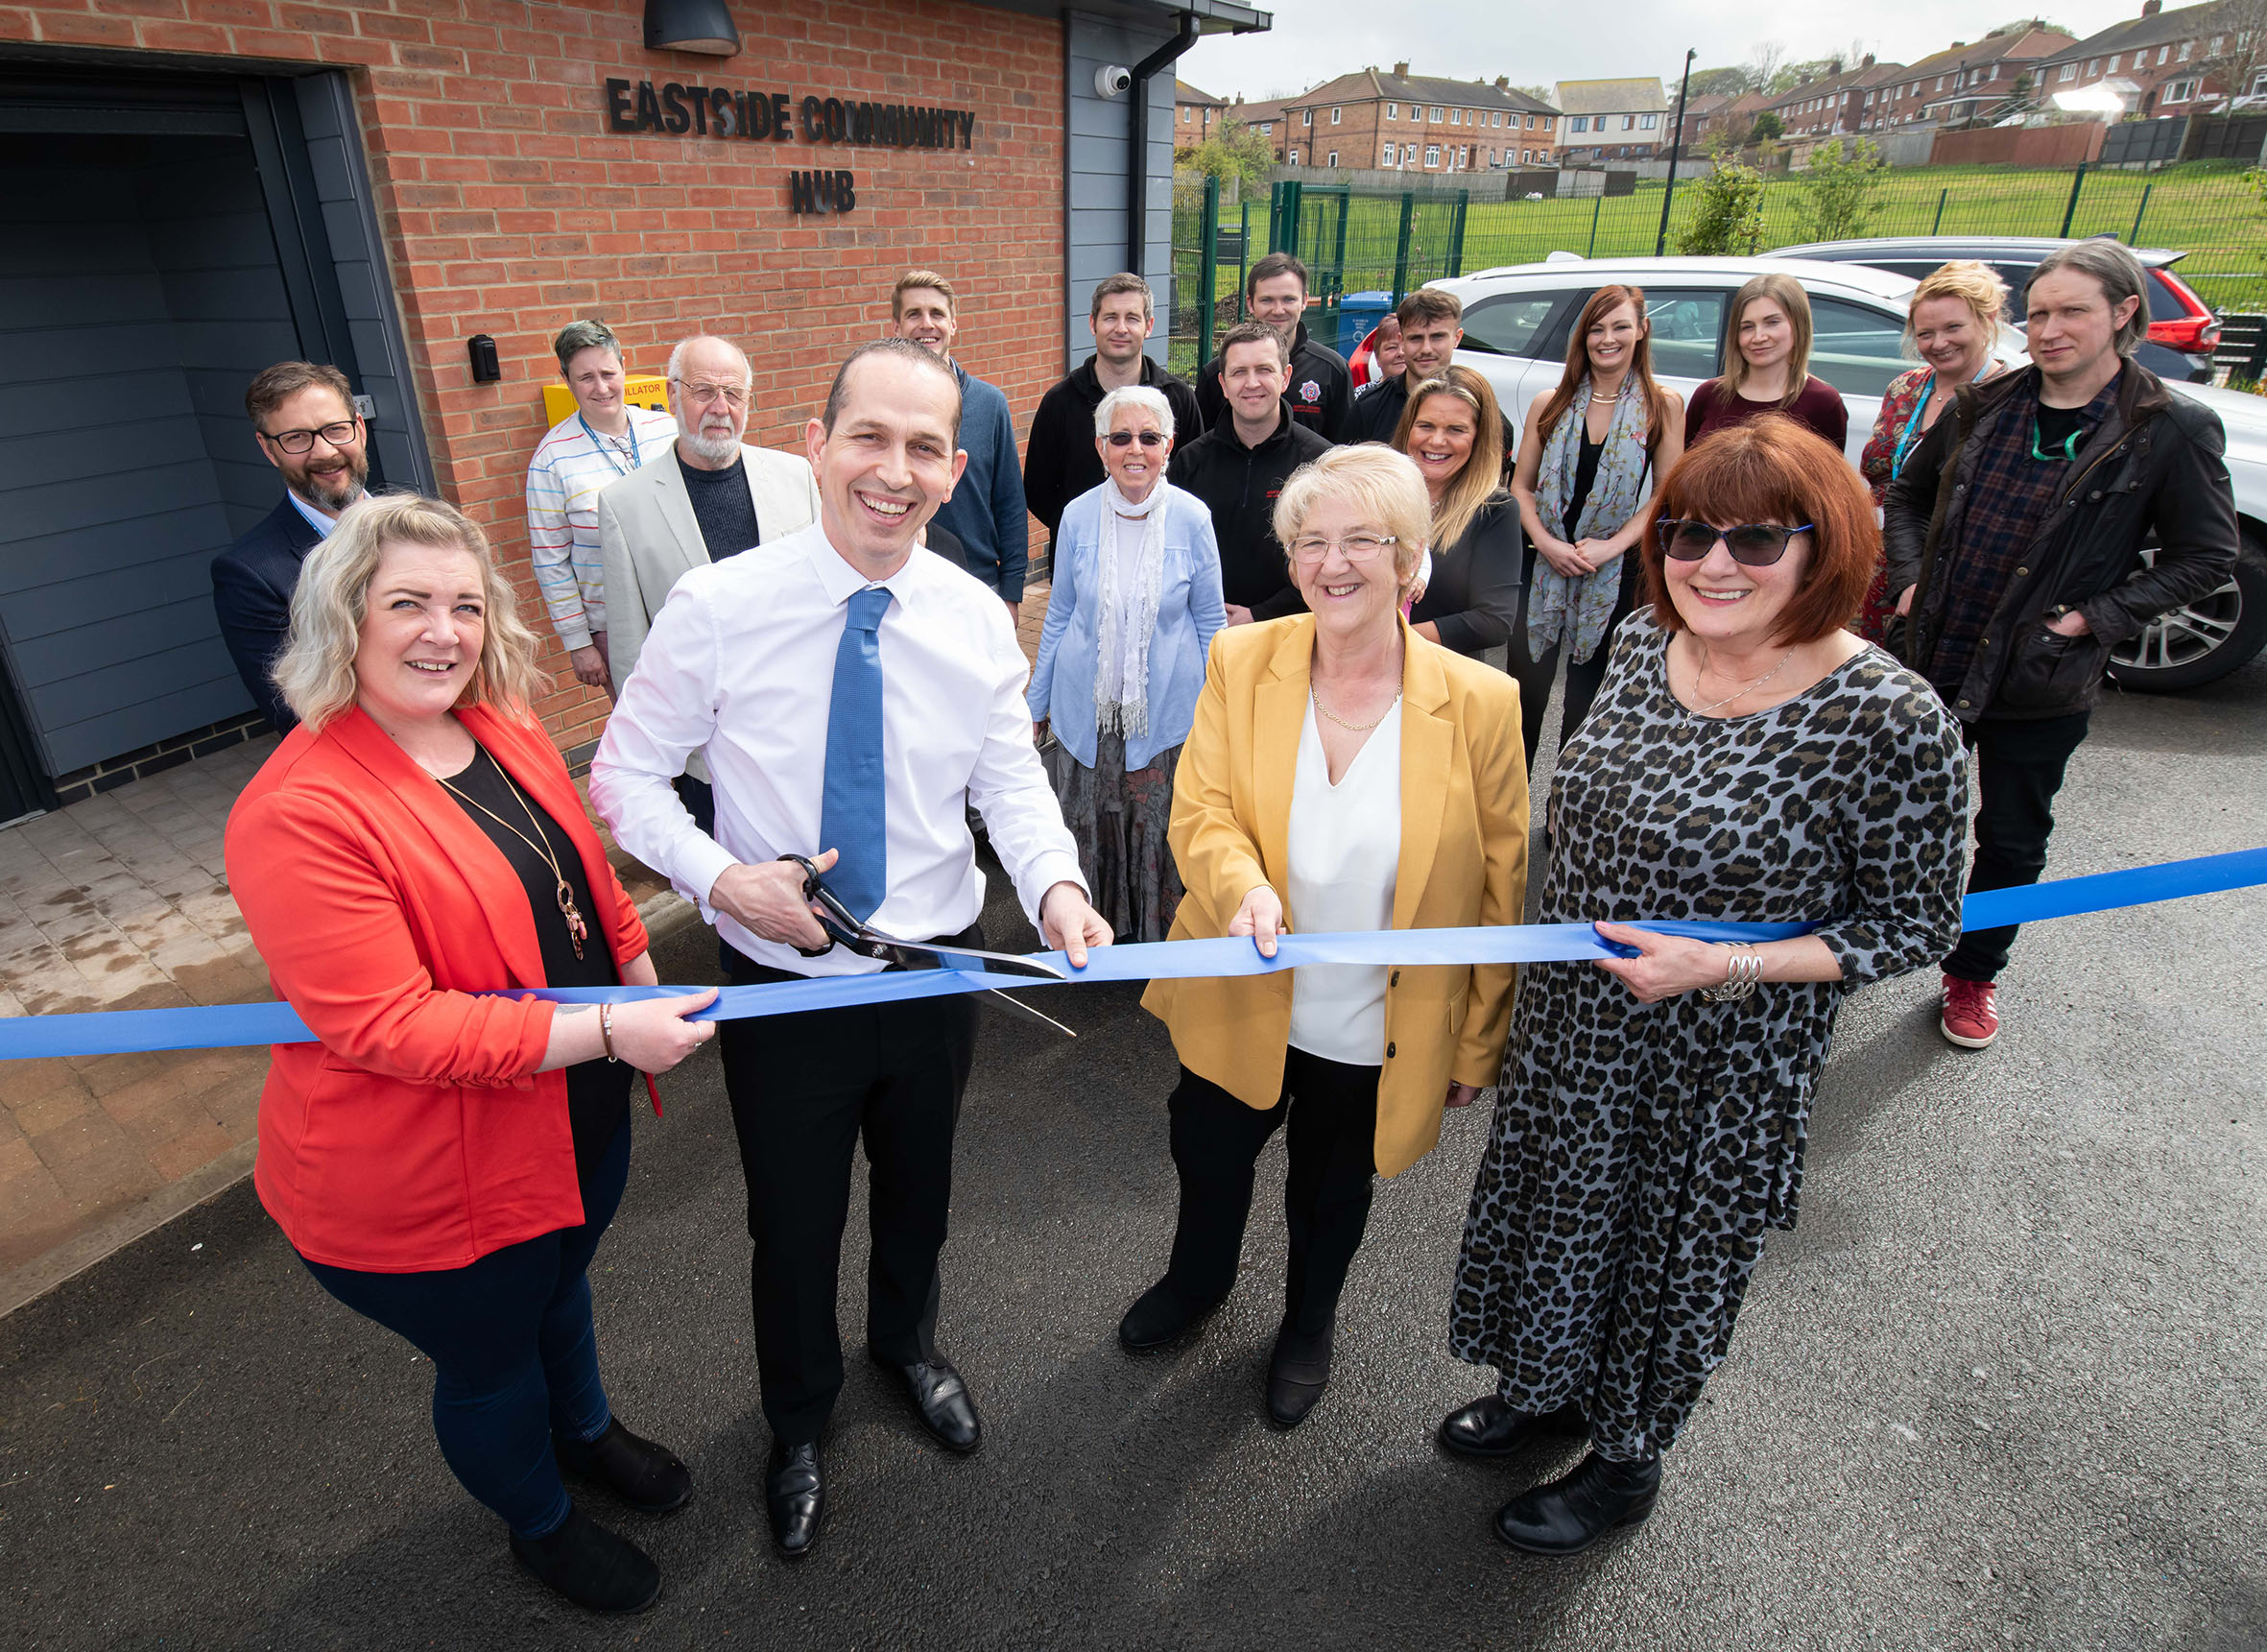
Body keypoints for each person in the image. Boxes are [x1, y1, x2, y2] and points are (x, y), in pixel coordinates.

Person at [588, 339, 1112, 1561]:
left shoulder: (976, 614)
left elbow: (1008, 781)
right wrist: (725, 880)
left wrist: (1060, 888)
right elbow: (624, 775)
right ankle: (798, 1419)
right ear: (815, 448)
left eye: (925, 446)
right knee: (796, 1220)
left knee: (919, 1196)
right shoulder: (719, 607)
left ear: (956, 468)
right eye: (869, 437)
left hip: (940, 972)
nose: (896, 469)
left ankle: (908, 1348)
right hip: (782, 988)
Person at [1445, 416, 1969, 1556]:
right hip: (1578, 1031)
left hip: (1717, 1063)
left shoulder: (1888, 718)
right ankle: (1545, 1384)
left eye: (1754, 539)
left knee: (1660, 1256)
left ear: (1821, 546)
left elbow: (1916, 923)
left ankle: (1624, 1460)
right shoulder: (1642, 642)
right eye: (1686, 534)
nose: (1712, 563)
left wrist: (1724, 963)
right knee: (1560, 1220)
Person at [225, 493, 718, 1615]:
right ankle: (539, 1523)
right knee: (493, 1356)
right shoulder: (297, 811)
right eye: (406, 604)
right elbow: (388, 1024)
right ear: (343, 619)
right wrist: (604, 1027)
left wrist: (631, 956)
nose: (441, 631)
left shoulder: (499, 721)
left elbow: (575, 874)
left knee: (559, 1289)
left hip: (563, 1106)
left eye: (461, 604)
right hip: (423, 1168)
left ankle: (586, 1434)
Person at [1123, 444, 1528, 1429]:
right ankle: (1197, 1278)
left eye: (1362, 541)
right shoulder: (1242, 657)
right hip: (1242, 988)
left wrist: (1477, 1040)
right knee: (1208, 1156)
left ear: (1409, 559)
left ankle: (1308, 1321)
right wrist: (1243, 885)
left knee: (1331, 1188)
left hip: (1375, 1021)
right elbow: (1201, 811)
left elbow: (1499, 884)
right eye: (1311, 541)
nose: (1332, 562)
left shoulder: (1480, 703)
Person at [1885, 239, 2237, 1051]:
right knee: (1891, 813)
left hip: (2039, 675)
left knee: (2010, 836)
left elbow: (2206, 556)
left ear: (2122, 314)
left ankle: (1973, 972)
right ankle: (1846, 950)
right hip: (1935, 658)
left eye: (2072, 311)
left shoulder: (2168, 427)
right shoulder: (1989, 403)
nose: (2050, 329)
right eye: (2039, 312)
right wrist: (1911, 579)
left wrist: (2091, 619)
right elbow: (1908, 494)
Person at [595, 334, 818, 829]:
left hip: (803, 729)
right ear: (672, 395)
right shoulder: (624, 505)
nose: (720, 408)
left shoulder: (795, 476)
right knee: (729, 887)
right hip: (705, 752)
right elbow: (633, 648)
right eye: (703, 391)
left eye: (733, 394)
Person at [1027, 386, 1226, 943]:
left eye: (1148, 437)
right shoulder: (1076, 515)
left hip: (1162, 713)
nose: (1134, 449)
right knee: (1084, 824)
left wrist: (1220, 708)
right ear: (1101, 447)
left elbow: (1211, 622)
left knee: (1154, 827)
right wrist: (1034, 703)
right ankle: (1083, 931)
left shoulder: (1192, 518)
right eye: (1120, 437)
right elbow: (1060, 613)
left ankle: (1149, 940)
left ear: (1169, 445)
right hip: (1083, 712)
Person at [1506, 284, 1685, 765]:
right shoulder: (1552, 402)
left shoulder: (1662, 405)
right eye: (1597, 328)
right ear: (1582, 336)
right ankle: (1511, 812)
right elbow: (1520, 487)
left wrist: (1610, 549)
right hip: (1543, 565)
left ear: (1642, 330)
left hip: (1611, 571)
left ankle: (1561, 815)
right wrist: (1547, 545)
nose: (1608, 338)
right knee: (1525, 697)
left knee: (1586, 704)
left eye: (1621, 326)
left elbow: (1666, 495)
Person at [211, 361, 370, 732]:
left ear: (359, 428)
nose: (325, 452)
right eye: (297, 437)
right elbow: (297, 713)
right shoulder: (250, 574)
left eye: (336, 429)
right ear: (268, 449)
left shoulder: (426, 526)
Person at [1854, 262, 2009, 643]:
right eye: (1926, 334)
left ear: (1987, 321)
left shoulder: (2008, 399)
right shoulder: (1904, 389)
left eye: (1953, 328)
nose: (1939, 343)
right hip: (1876, 565)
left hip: (1950, 574)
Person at [525, 320, 677, 694]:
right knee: (645, 732)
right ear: (566, 379)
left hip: (683, 604)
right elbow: (550, 561)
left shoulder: (666, 429)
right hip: (615, 626)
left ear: (624, 365)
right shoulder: (551, 460)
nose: (602, 387)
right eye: (586, 377)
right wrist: (579, 643)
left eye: (609, 372)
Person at [1169, 322, 1331, 627]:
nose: (1252, 383)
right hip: (1202, 630)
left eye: (1264, 370)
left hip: (1292, 631)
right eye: (1239, 372)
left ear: (1285, 377)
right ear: (1223, 383)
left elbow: (1330, 561)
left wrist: (1261, 615)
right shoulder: (1189, 462)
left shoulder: (1321, 464)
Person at [890, 269, 1031, 618]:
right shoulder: (882, 403)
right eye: (913, 314)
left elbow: (1010, 503)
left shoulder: (989, 404)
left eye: (937, 314)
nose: (927, 324)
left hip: (979, 584)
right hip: (901, 585)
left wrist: (1011, 592)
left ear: (954, 324)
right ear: (896, 327)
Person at [1023, 274, 1204, 546]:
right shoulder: (1059, 403)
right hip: (1081, 553)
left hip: (1162, 552)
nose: (1121, 328)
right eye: (1110, 317)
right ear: (1093, 323)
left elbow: (1194, 479)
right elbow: (1038, 489)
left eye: (1132, 318)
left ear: (1149, 326)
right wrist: (1083, 529)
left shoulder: (1178, 400)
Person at [1392, 366, 1518, 662]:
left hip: (1444, 675)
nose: (1436, 441)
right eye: (1425, 426)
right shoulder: (1377, 493)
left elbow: (1494, 621)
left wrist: (1394, 638)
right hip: (1362, 674)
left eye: (1455, 430)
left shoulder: (1495, 510)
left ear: (1478, 438)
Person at [1193, 252, 1353, 442]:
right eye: (1267, 300)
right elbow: (1202, 447)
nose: (1278, 310)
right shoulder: (1217, 373)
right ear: (1250, 303)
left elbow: (1344, 450)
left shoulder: (1332, 370)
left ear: (1304, 301)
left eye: (1288, 299)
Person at [1684, 274, 1847, 453]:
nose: (1758, 337)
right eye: (1747, 327)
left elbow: (1830, 478)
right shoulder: (1708, 395)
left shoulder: (1824, 403)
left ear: (1799, 325)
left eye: (1772, 322)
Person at [1347, 289, 1465, 445]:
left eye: (1437, 337)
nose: (1426, 349)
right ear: (1401, 341)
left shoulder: (1476, 408)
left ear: (1457, 338)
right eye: (1416, 338)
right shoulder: (1369, 407)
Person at [1363, 310, 1407, 389]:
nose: (1401, 353)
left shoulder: (1431, 395)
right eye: (1392, 347)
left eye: (1405, 346)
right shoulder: (1361, 397)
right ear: (1377, 357)